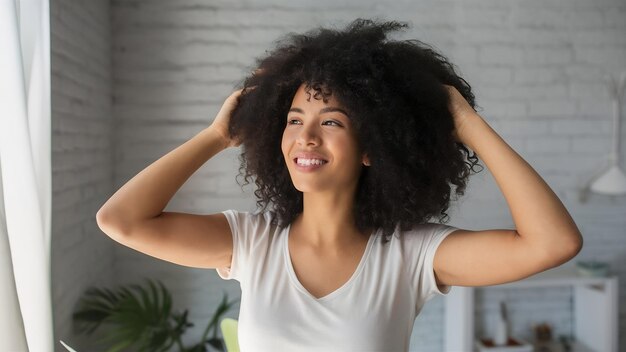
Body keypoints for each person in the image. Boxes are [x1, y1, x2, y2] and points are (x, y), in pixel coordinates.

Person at [96, 19, 583, 351]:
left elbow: (553, 243)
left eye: (331, 122)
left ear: (373, 147)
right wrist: (217, 135)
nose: (304, 136)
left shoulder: (410, 255)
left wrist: (462, 119)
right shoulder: (250, 242)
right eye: (292, 119)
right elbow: (119, 220)